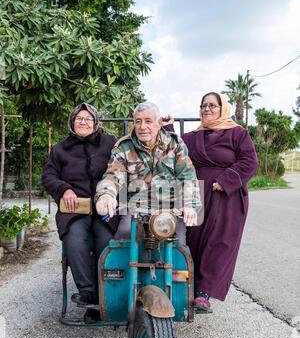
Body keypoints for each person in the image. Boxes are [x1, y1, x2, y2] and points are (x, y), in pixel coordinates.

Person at [42, 103, 118, 322]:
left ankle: (108, 294)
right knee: (75, 240)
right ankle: (89, 294)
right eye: (79, 119)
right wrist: (63, 188)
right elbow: (48, 177)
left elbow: (127, 158)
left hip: (105, 208)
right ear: (72, 122)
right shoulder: (60, 149)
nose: (83, 122)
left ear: (95, 123)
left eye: (88, 119)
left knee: (107, 242)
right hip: (76, 210)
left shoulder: (109, 143)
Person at [182, 92, 258, 312]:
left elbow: (250, 161)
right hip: (197, 193)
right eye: (203, 105)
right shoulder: (191, 137)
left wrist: (225, 181)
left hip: (228, 196)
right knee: (192, 238)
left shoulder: (237, 133)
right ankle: (189, 285)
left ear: (222, 108)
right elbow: (174, 150)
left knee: (220, 242)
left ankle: (204, 293)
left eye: (212, 105)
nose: (207, 109)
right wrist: (167, 127)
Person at [95, 102, 201, 240]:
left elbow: (187, 176)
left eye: (148, 121)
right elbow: (113, 176)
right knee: (125, 235)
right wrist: (106, 195)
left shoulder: (174, 144)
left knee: (177, 245)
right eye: (138, 121)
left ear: (158, 123)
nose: (142, 127)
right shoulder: (123, 146)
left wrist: (190, 204)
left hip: (169, 208)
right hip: (135, 208)